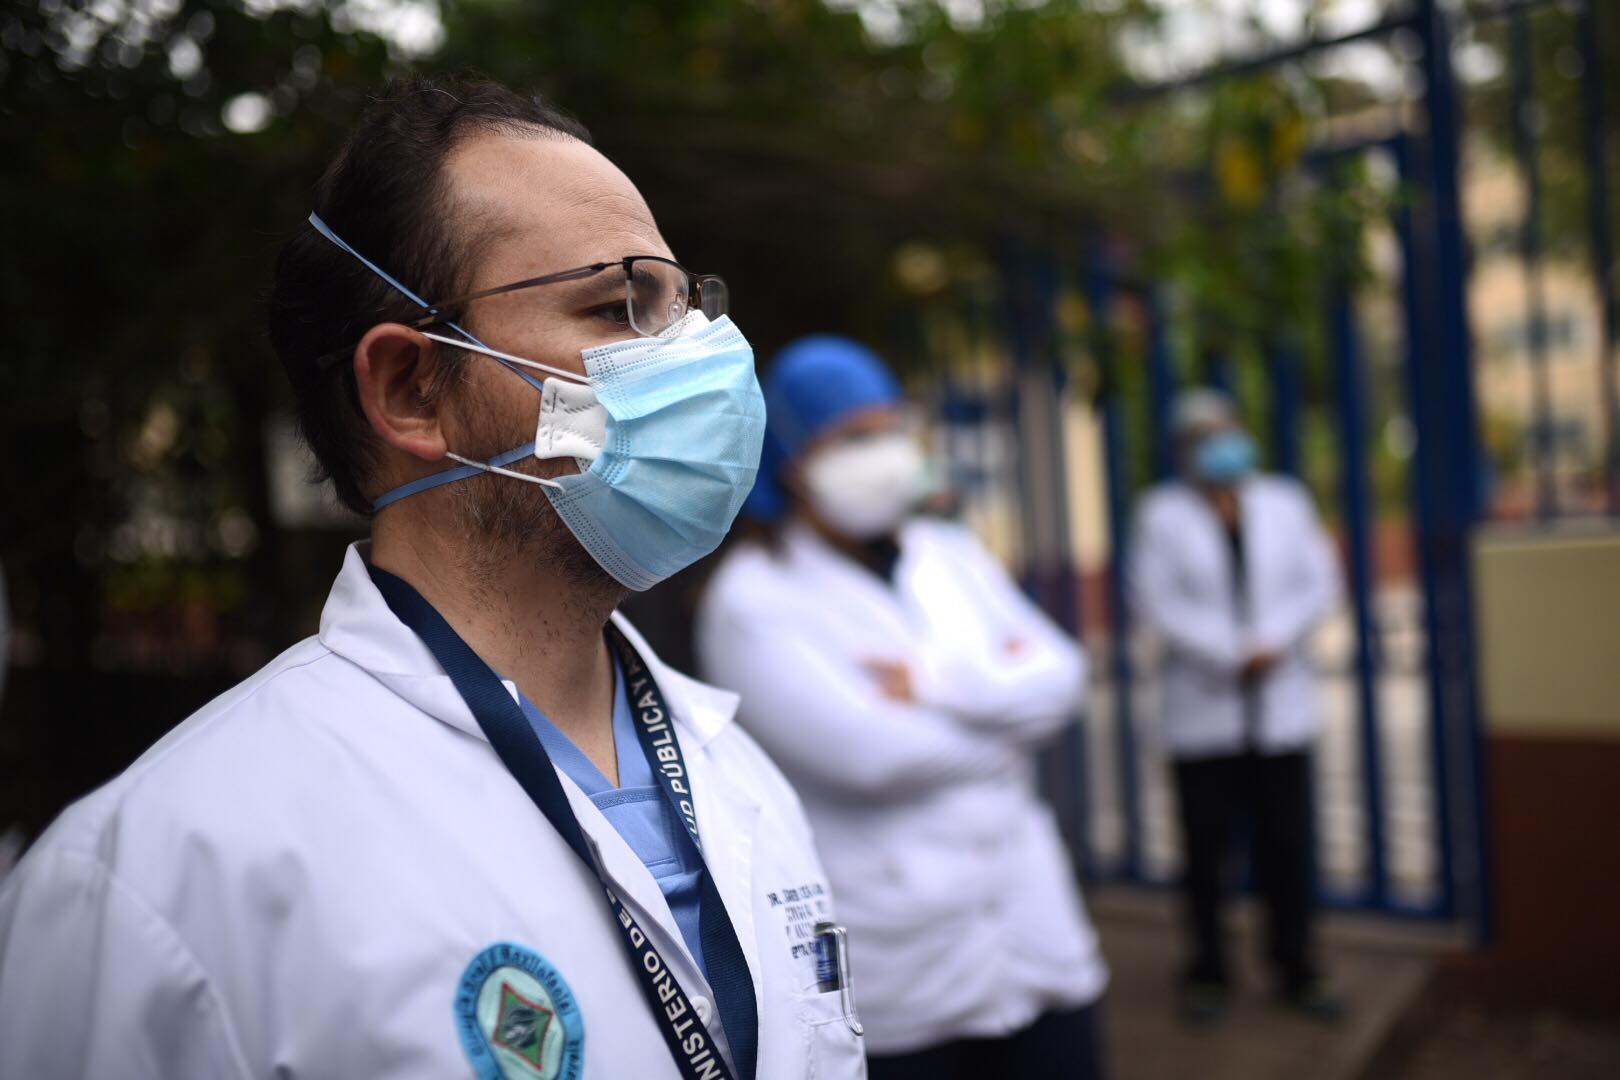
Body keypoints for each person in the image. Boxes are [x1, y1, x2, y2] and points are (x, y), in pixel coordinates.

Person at [0, 76, 865, 1080]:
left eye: (679, 305)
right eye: (618, 303)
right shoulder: (156, 879)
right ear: (414, 389)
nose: (697, 359)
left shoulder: (741, 778)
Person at [696, 337, 1109, 1080]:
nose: (884, 451)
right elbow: (869, 757)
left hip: (1035, 931)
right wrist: (1012, 727)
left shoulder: (947, 552)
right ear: (790, 455)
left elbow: (1065, 677)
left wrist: (937, 684)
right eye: (854, 437)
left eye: (891, 429)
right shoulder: (753, 598)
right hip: (901, 962)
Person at [1128, 388, 1344, 1025]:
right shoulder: (1160, 514)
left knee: (1286, 845)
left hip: (1279, 708)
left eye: (1225, 429)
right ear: (1182, 449)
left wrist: (1270, 643)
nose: (1217, 444)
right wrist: (1230, 653)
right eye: (1202, 435)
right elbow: (1156, 601)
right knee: (1205, 853)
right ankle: (1207, 972)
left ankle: (1297, 967)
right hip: (1204, 710)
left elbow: (1318, 582)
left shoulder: (1284, 501)